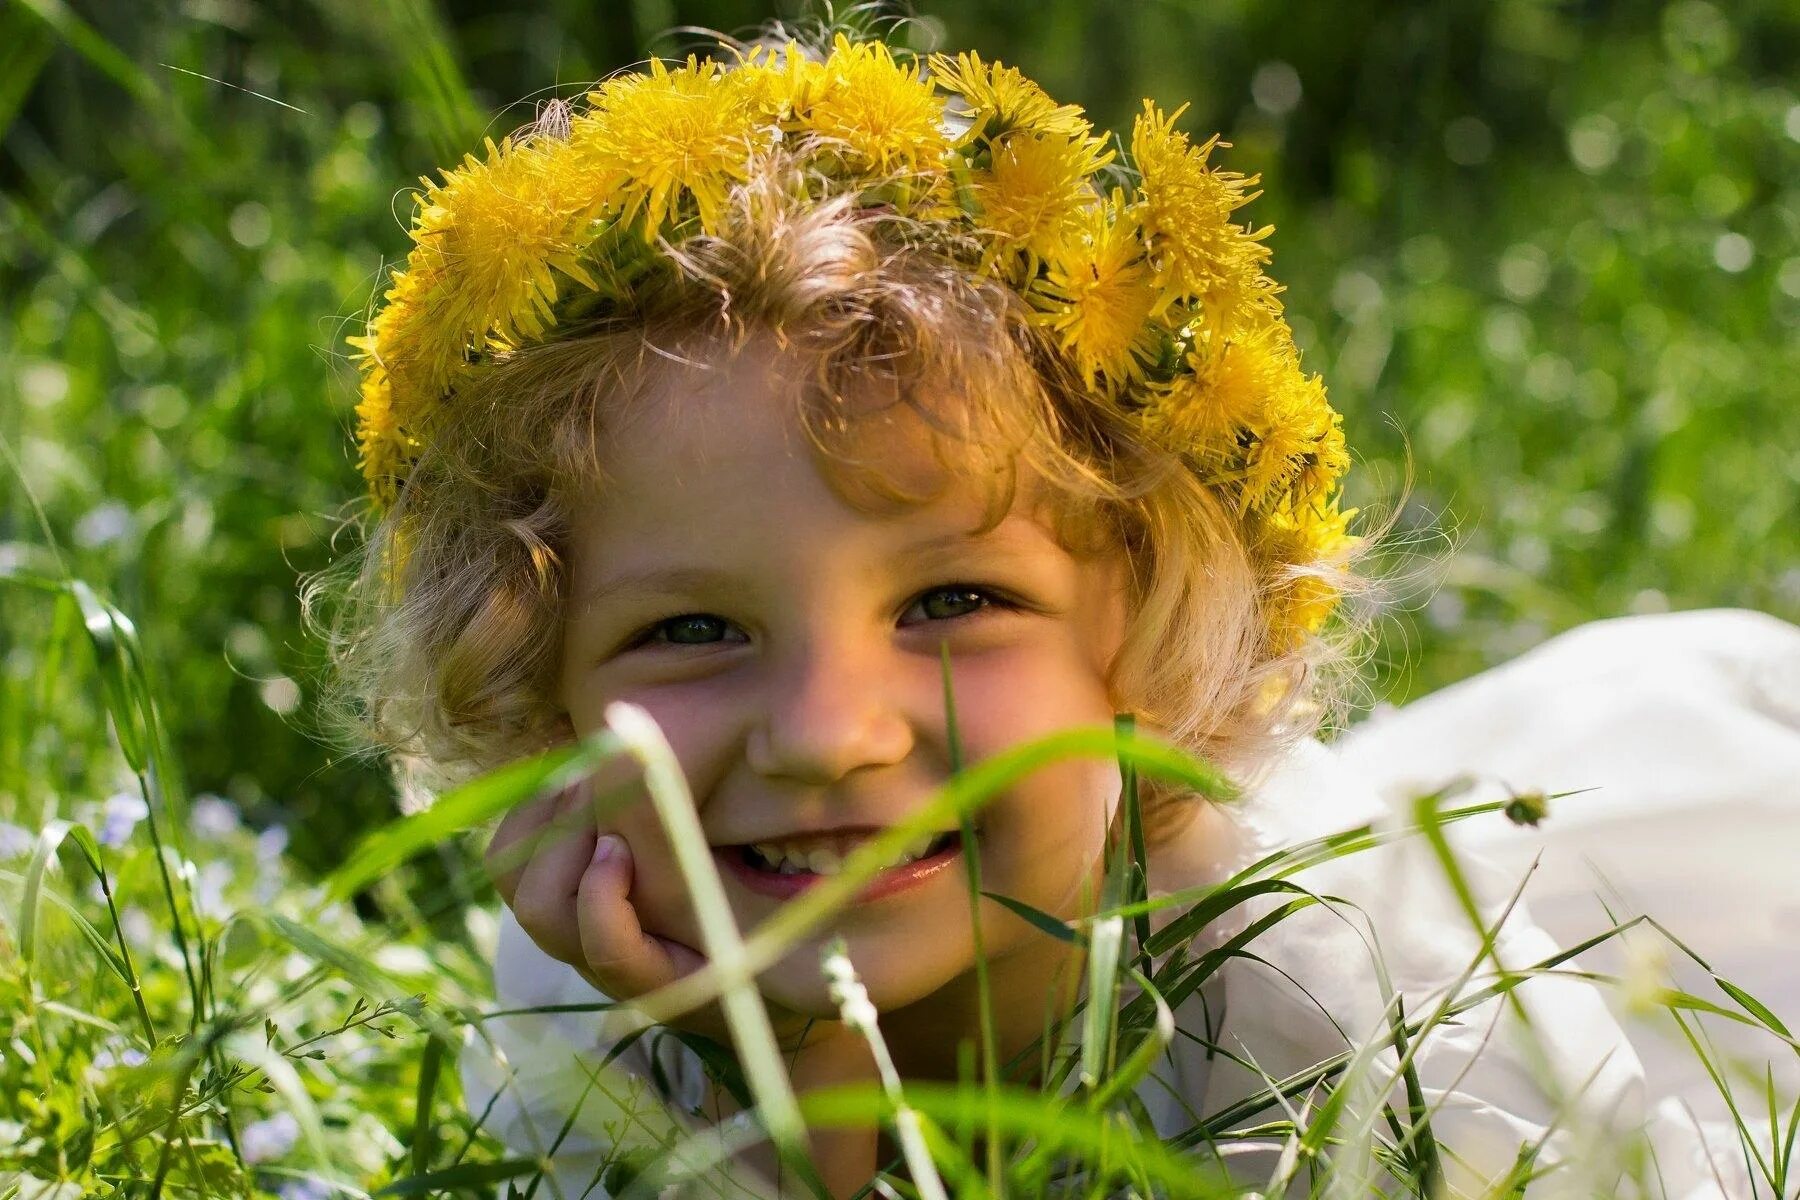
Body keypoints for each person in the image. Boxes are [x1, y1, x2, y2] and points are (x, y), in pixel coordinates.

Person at [318, 20, 1799, 1199]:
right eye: (692, 630)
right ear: (537, 685)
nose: (831, 736)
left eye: (955, 598)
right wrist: (797, 1102)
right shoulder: (595, 961)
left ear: (1141, 647)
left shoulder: (1351, 1025)